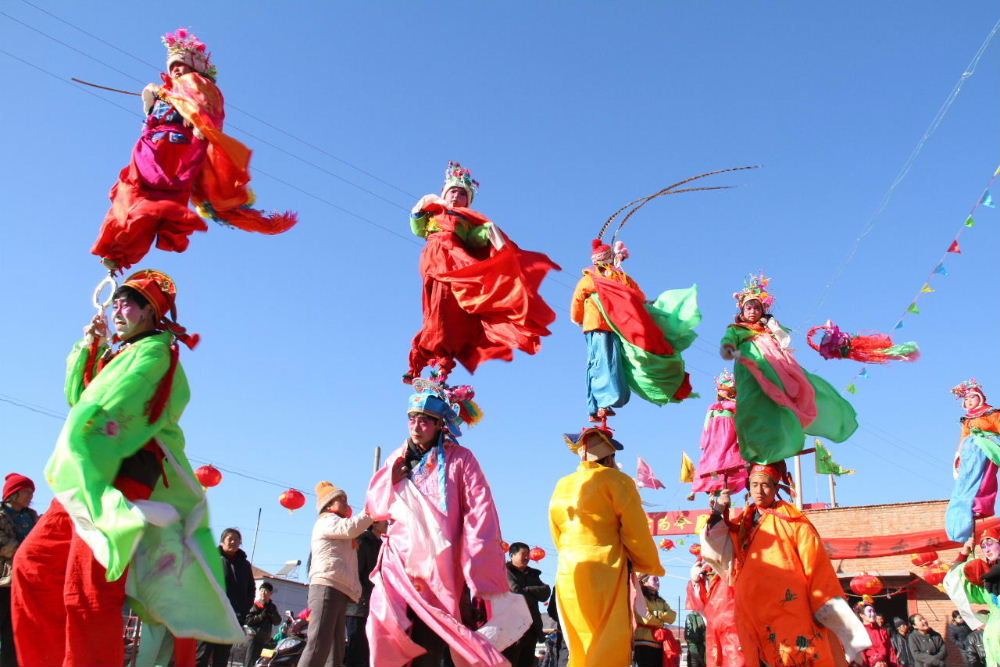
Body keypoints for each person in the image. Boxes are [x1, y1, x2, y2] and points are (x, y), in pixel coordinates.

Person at [12, 270, 242, 667]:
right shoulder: (116, 353)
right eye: (115, 302)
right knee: (33, 563)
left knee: (88, 588)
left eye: (128, 302)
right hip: (89, 474)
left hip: (126, 474)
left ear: (151, 312)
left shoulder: (155, 352)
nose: (119, 309)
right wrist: (89, 346)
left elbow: (109, 408)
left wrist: (82, 439)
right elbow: (77, 398)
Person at [91, 28, 295, 272]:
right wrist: (150, 103)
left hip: (177, 146)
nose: (176, 69)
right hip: (152, 144)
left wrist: (194, 120)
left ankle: (122, 250)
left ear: (195, 67)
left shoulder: (197, 84)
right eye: (172, 66)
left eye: (181, 64)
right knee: (132, 192)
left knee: (155, 198)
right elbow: (153, 121)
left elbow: (205, 112)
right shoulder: (168, 91)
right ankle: (118, 249)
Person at [365, 379, 527, 667]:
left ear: (441, 424)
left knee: (432, 635)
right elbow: (375, 508)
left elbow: (481, 510)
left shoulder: (461, 460)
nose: (416, 426)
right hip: (399, 561)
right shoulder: (397, 459)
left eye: (425, 421)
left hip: (442, 565)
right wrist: (391, 478)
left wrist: (476, 560)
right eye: (412, 419)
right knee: (383, 625)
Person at [700, 461, 870, 666]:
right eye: (754, 485)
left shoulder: (795, 522)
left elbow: (815, 565)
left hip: (789, 607)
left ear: (776, 488)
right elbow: (718, 547)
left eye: (765, 485)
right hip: (750, 610)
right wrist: (719, 510)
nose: (759, 491)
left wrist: (823, 605)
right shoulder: (743, 523)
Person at [404, 162, 560, 383]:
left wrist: (493, 237)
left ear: (468, 200)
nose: (456, 196)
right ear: (444, 194)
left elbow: (478, 237)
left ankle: (443, 360)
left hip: (453, 260)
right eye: (452, 191)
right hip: (433, 260)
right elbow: (417, 229)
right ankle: (432, 353)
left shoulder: (467, 221)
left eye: (461, 194)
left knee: (449, 307)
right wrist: (418, 211)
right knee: (433, 309)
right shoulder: (434, 214)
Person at [549, 426, 665, 667]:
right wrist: (649, 564)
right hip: (606, 570)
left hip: (569, 570)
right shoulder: (618, 480)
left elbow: (556, 530)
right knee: (608, 642)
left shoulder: (563, 484)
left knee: (579, 645)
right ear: (611, 457)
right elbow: (636, 531)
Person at [719, 273, 857, 464]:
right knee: (752, 402)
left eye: (756, 307)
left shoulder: (769, 328)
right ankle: (760, 441)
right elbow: (728, 340)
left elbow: (782, 339)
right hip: (750, 367)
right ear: (742, 311)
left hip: (775, 365)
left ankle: (786, 425)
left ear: (762, 310)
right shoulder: (738, 329)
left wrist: (772, 328)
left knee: (795, 390)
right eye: (748, 307)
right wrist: (729, 348)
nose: (752, 311)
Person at [570, 239, 696, 422]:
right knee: (600, 363)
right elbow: (578, 305)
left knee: (615, 364)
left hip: (618, 327)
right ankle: (599, 404)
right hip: (597, 325)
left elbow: (635, 295)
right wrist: (581, 319)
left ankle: (606, 401)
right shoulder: (589, 280)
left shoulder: (618, 277)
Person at [298, 482, 373, 667]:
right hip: (326, 587)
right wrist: (372, 508)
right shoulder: (327, 521)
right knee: (318, 645)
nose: (345, 502)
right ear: (328, 504)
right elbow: (351, 527)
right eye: (341, 499)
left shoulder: (337, 523)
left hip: (338, 589)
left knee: (335, 649)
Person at [946, 379, 1000, 542]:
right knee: (965, 483)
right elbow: (964, 437)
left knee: (984, 480)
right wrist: (958, 455)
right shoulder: (967, 419)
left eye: (972, 398)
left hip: (986, 449)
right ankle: (963, 516)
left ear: (980, 398)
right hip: (970, 453)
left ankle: (979, 506)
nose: (969, 401)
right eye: (966, 399)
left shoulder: (991, 413)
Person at [197, 528, 255, 667]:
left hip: (232, 618)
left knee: (221, 658)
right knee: (201, 656)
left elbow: (250, 590)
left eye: (237, 540)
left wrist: (243, 610)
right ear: (222, 541)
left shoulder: (245, 565)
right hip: (210, 616)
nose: (234, 542)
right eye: (230, 539)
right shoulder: (212, 558)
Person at [944, 527, 1000, 667]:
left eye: (990, 543)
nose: (986, 550)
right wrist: (964, 554)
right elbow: (953, 584)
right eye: (983, 546)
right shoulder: (988, 580)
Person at [0, 475, 38, 667]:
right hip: (3, 582)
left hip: (24, 583)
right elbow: (3, 544)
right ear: (13, 493)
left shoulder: (33, 517)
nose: (31, 496)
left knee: (14, 634)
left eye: (32, 492)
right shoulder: (1, 515)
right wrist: (28, 550)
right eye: (27, 491)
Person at [691, 370, 747, 498]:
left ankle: (724, 483)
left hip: (729, 431)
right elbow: (706, 424)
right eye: (721, 389)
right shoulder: (713, 406)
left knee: (728, 455)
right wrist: (704, 440)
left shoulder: (735, 405)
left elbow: (740, 421)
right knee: (711, 457)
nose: (722, 391)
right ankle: (705, 487)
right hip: (714, 434)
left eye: (725, 389)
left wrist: (740, 437)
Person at [344, 520, 387, 667]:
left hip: (372, 605)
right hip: (358, 606)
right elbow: (356, 572)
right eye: (384, 521)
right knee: (356, 649)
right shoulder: (363, 542)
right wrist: (360, 596)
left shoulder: (380, 544)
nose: (387, 523)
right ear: (374, 523)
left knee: (368, 651)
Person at [503, 542, 551, 667]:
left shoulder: (533, 574)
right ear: (512, 555)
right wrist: (533, 592)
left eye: (528, 555)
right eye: (523, 554)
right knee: (510, 662)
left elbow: (545, 592)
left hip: (531, 627)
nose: (526, 558)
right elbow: (515, 592)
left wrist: (527, 590)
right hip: (511, 626)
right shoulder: (506, 571)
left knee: (527, 662)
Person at [687, 560, 742, 667]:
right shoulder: (709, 582)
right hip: (715, 638)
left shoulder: (737, 565)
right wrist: (695, 581)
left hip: (737, 636)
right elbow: (700, 606)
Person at [633, 574, 677, 667]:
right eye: (655, 579)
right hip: (643, 644)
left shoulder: (661, 601)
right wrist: (661, 622)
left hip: (659, 644)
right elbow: (645, 618)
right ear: (645, 582)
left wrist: (658, 614)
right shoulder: (640, 599)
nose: (658, 582)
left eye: (658, 580)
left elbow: (673, 616)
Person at [243, 582, 281, 667]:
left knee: (263, 664)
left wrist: (272, 614)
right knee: (250, 663)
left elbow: (277, 622)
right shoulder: (256, 605)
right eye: (261, 591)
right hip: (254, 639)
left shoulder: (272, 607)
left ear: (270, 593)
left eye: (266, 591)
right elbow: (248, 620)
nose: (263, 593)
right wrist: (261, 616)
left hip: (266, 641)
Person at [856, 598, 895, 666]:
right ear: (862, 615)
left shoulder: (883, 631)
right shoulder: (859, 632)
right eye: (869, 611)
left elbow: (891, 652)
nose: (873, 614)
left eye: (874, 611)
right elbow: (861, 655)